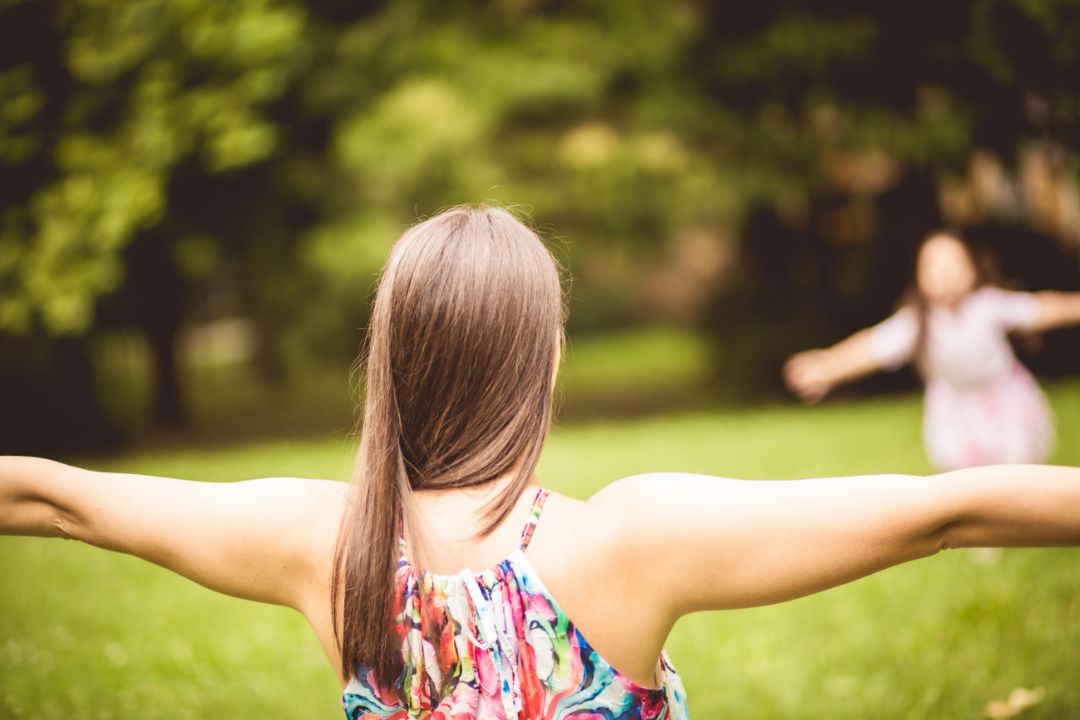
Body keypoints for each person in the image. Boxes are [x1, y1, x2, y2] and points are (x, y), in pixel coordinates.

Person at [2, 207, 1080, 720]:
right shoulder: (626, 540)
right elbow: (944, 514)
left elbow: (58, 501)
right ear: (547, 359)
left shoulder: (322, 545)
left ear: (393, 362)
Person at [784, 229, 1080, 471]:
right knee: (969, 477)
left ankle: (1016, 524)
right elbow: (872, 347)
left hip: (1002, 399)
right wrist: (829, 366)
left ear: (973, 271)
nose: (946, 274)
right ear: (919, 277)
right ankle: (987, 537)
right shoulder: (916, 323)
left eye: (955, 264)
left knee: (1015, 467)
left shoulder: (989, 306)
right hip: (955, 408)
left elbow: (1045, 308)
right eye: (934, 267)